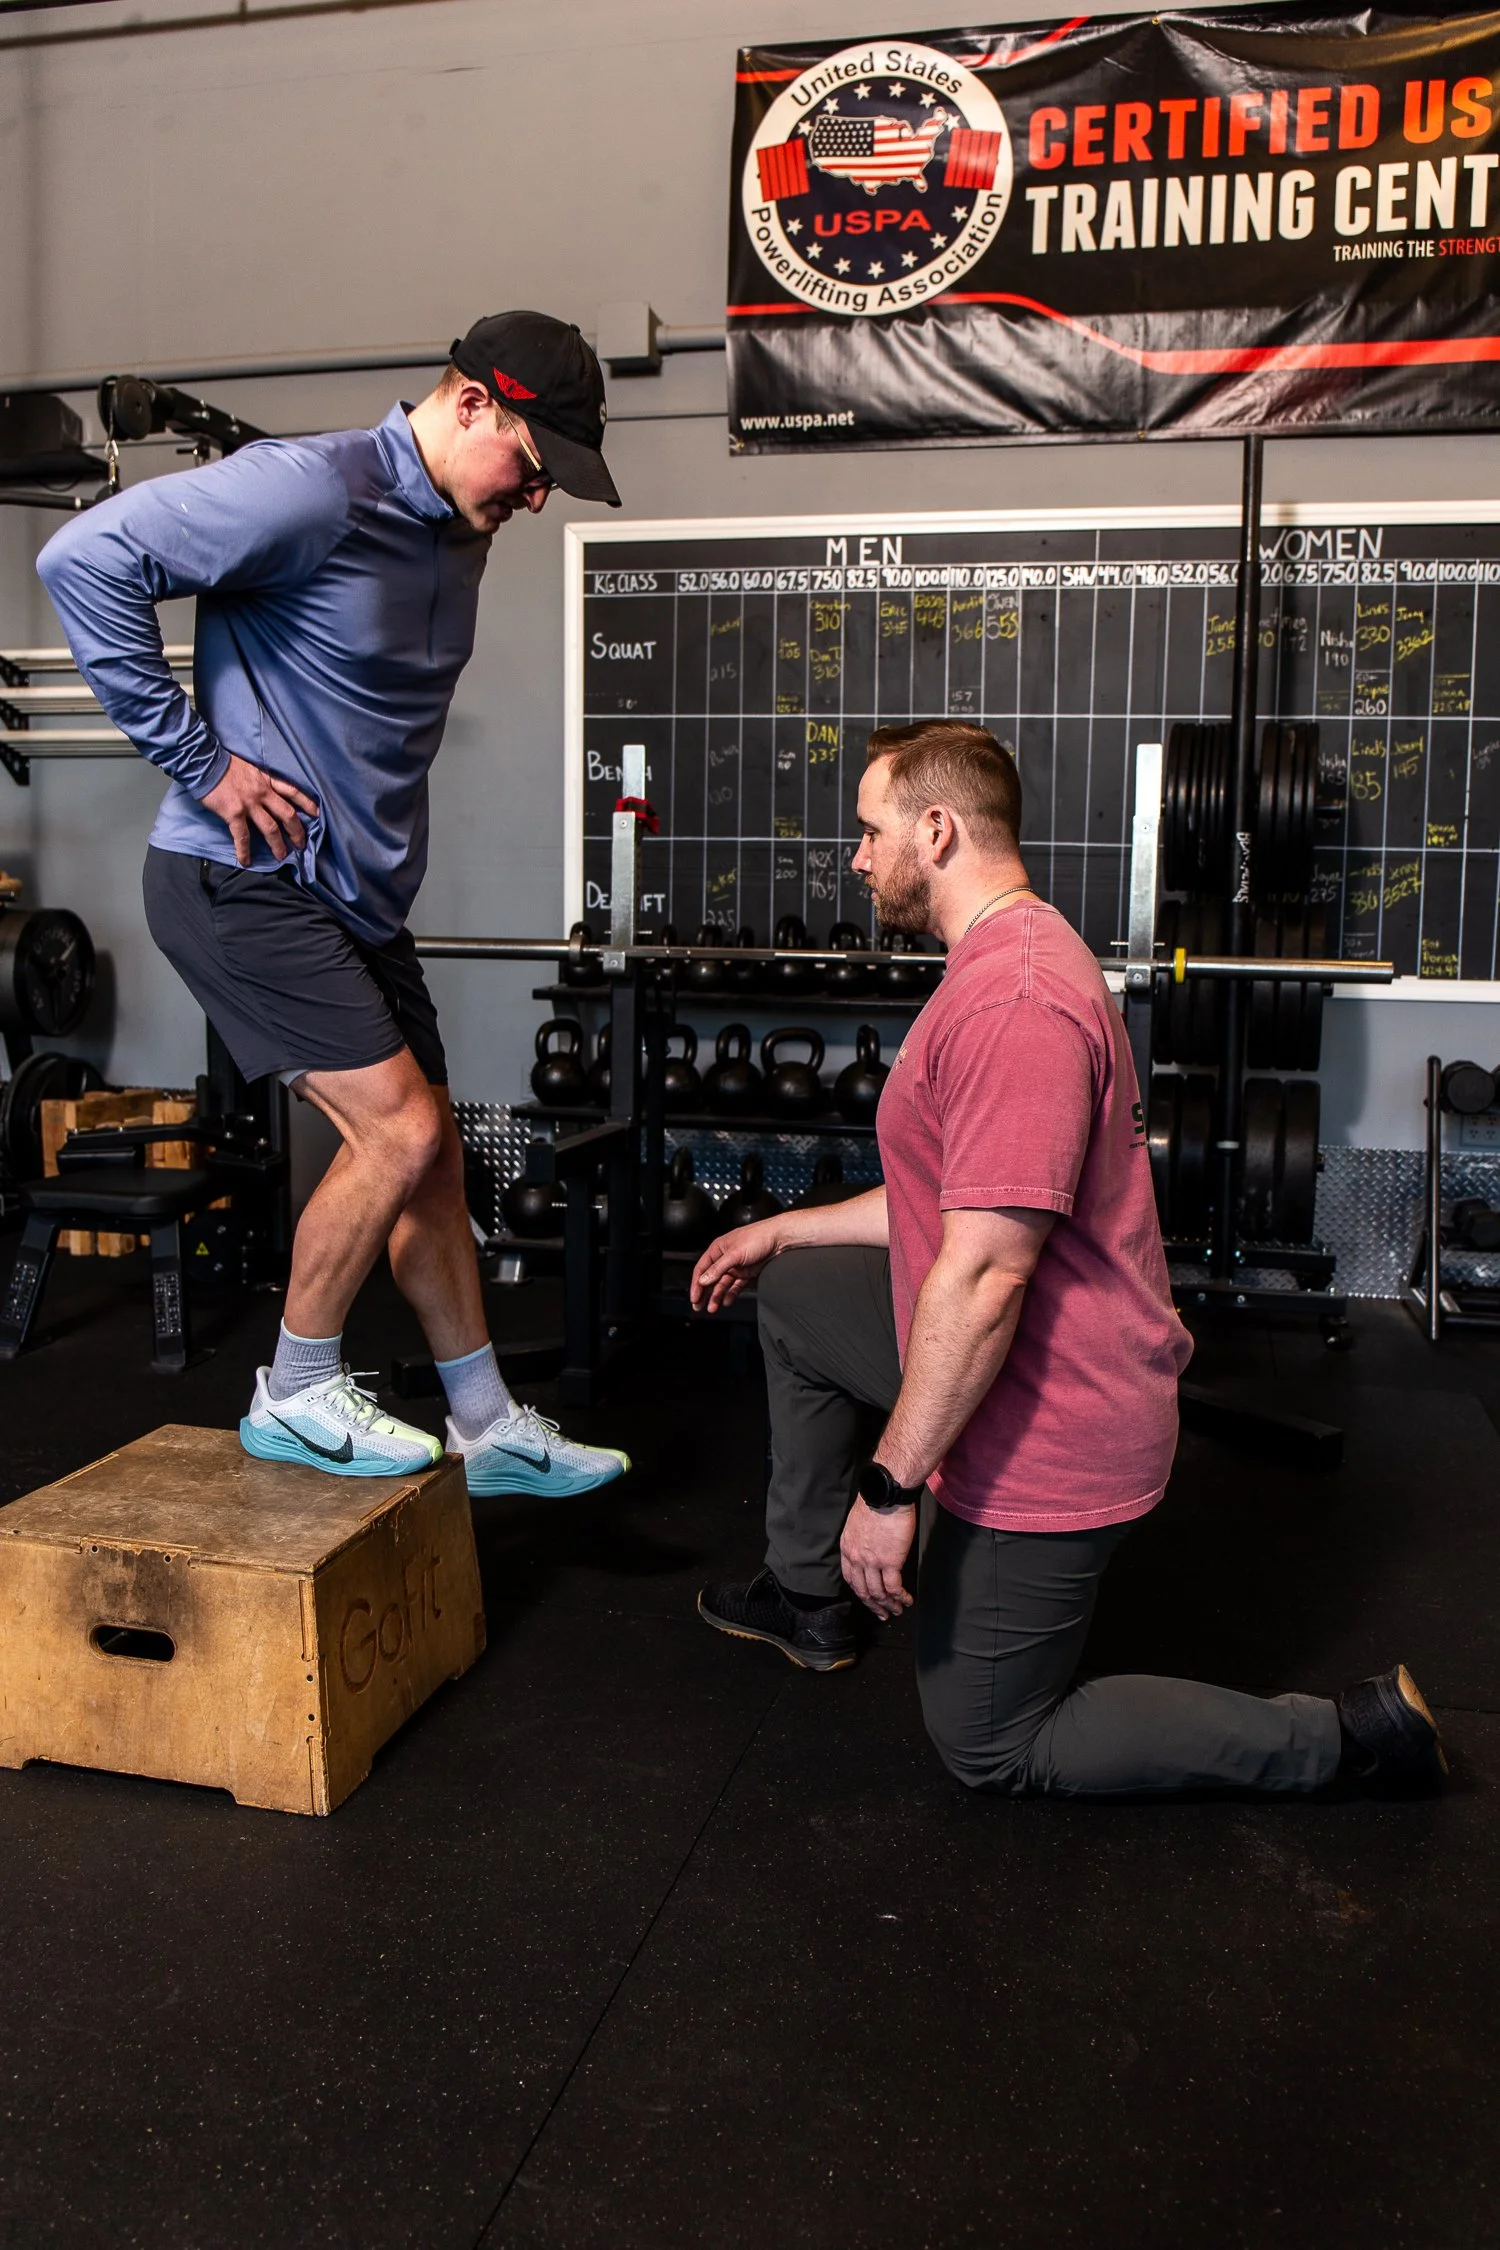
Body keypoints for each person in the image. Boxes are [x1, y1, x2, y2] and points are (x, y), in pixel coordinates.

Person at [690, 720, 1446, 1799]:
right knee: (802, 1296)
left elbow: (990, 1275)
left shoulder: (1014, 1003)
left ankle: (1342, 1736)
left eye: (870, 832)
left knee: (992, 1744)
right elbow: (949, 1206)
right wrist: (783, 1230)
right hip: (1009, 1352)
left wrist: (891, 1486)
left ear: (937, 831)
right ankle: (810, 1597)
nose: (857, 858)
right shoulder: (1000, 958)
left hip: (1056, 1418)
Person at [37, 311, 630, 1496]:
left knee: (436, 1161)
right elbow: (81, 562)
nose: (538, 497)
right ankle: (295, 1387)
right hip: (239, 880)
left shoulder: (456, 522)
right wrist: (202, 763)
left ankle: (482, 1425)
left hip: (351, 903)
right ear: (470, 404)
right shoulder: (309, 488)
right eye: (531, 464)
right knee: (396, 1134)